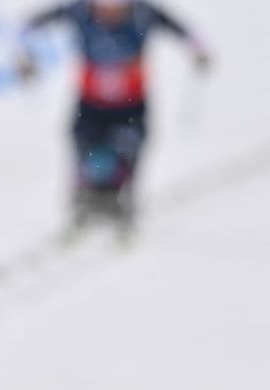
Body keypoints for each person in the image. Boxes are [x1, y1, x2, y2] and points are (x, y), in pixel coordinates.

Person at [17, 0, 210, 237]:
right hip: (90, 106)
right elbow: (28, 26)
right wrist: (24, 56)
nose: (109, 13)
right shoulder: (80, 12)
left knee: (127, 152)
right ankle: (82, 204)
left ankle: (122, 203)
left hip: (130, 107)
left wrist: (198, 51)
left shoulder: (143, 14)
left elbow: (184, 32)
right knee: (84, 151)